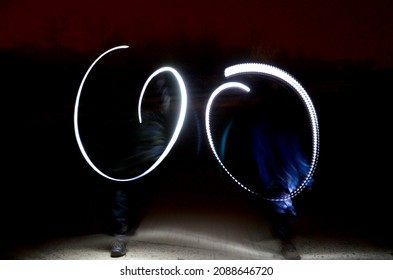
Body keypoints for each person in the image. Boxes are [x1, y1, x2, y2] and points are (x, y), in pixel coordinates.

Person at [219, 87, 313, 260]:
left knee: (281, 206)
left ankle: (287, 241)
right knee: (274, 205)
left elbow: (295, 151)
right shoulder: (260, 127)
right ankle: (281, 234)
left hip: (279, 176)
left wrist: (307, 178)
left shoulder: (273, 127)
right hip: (270, 176)